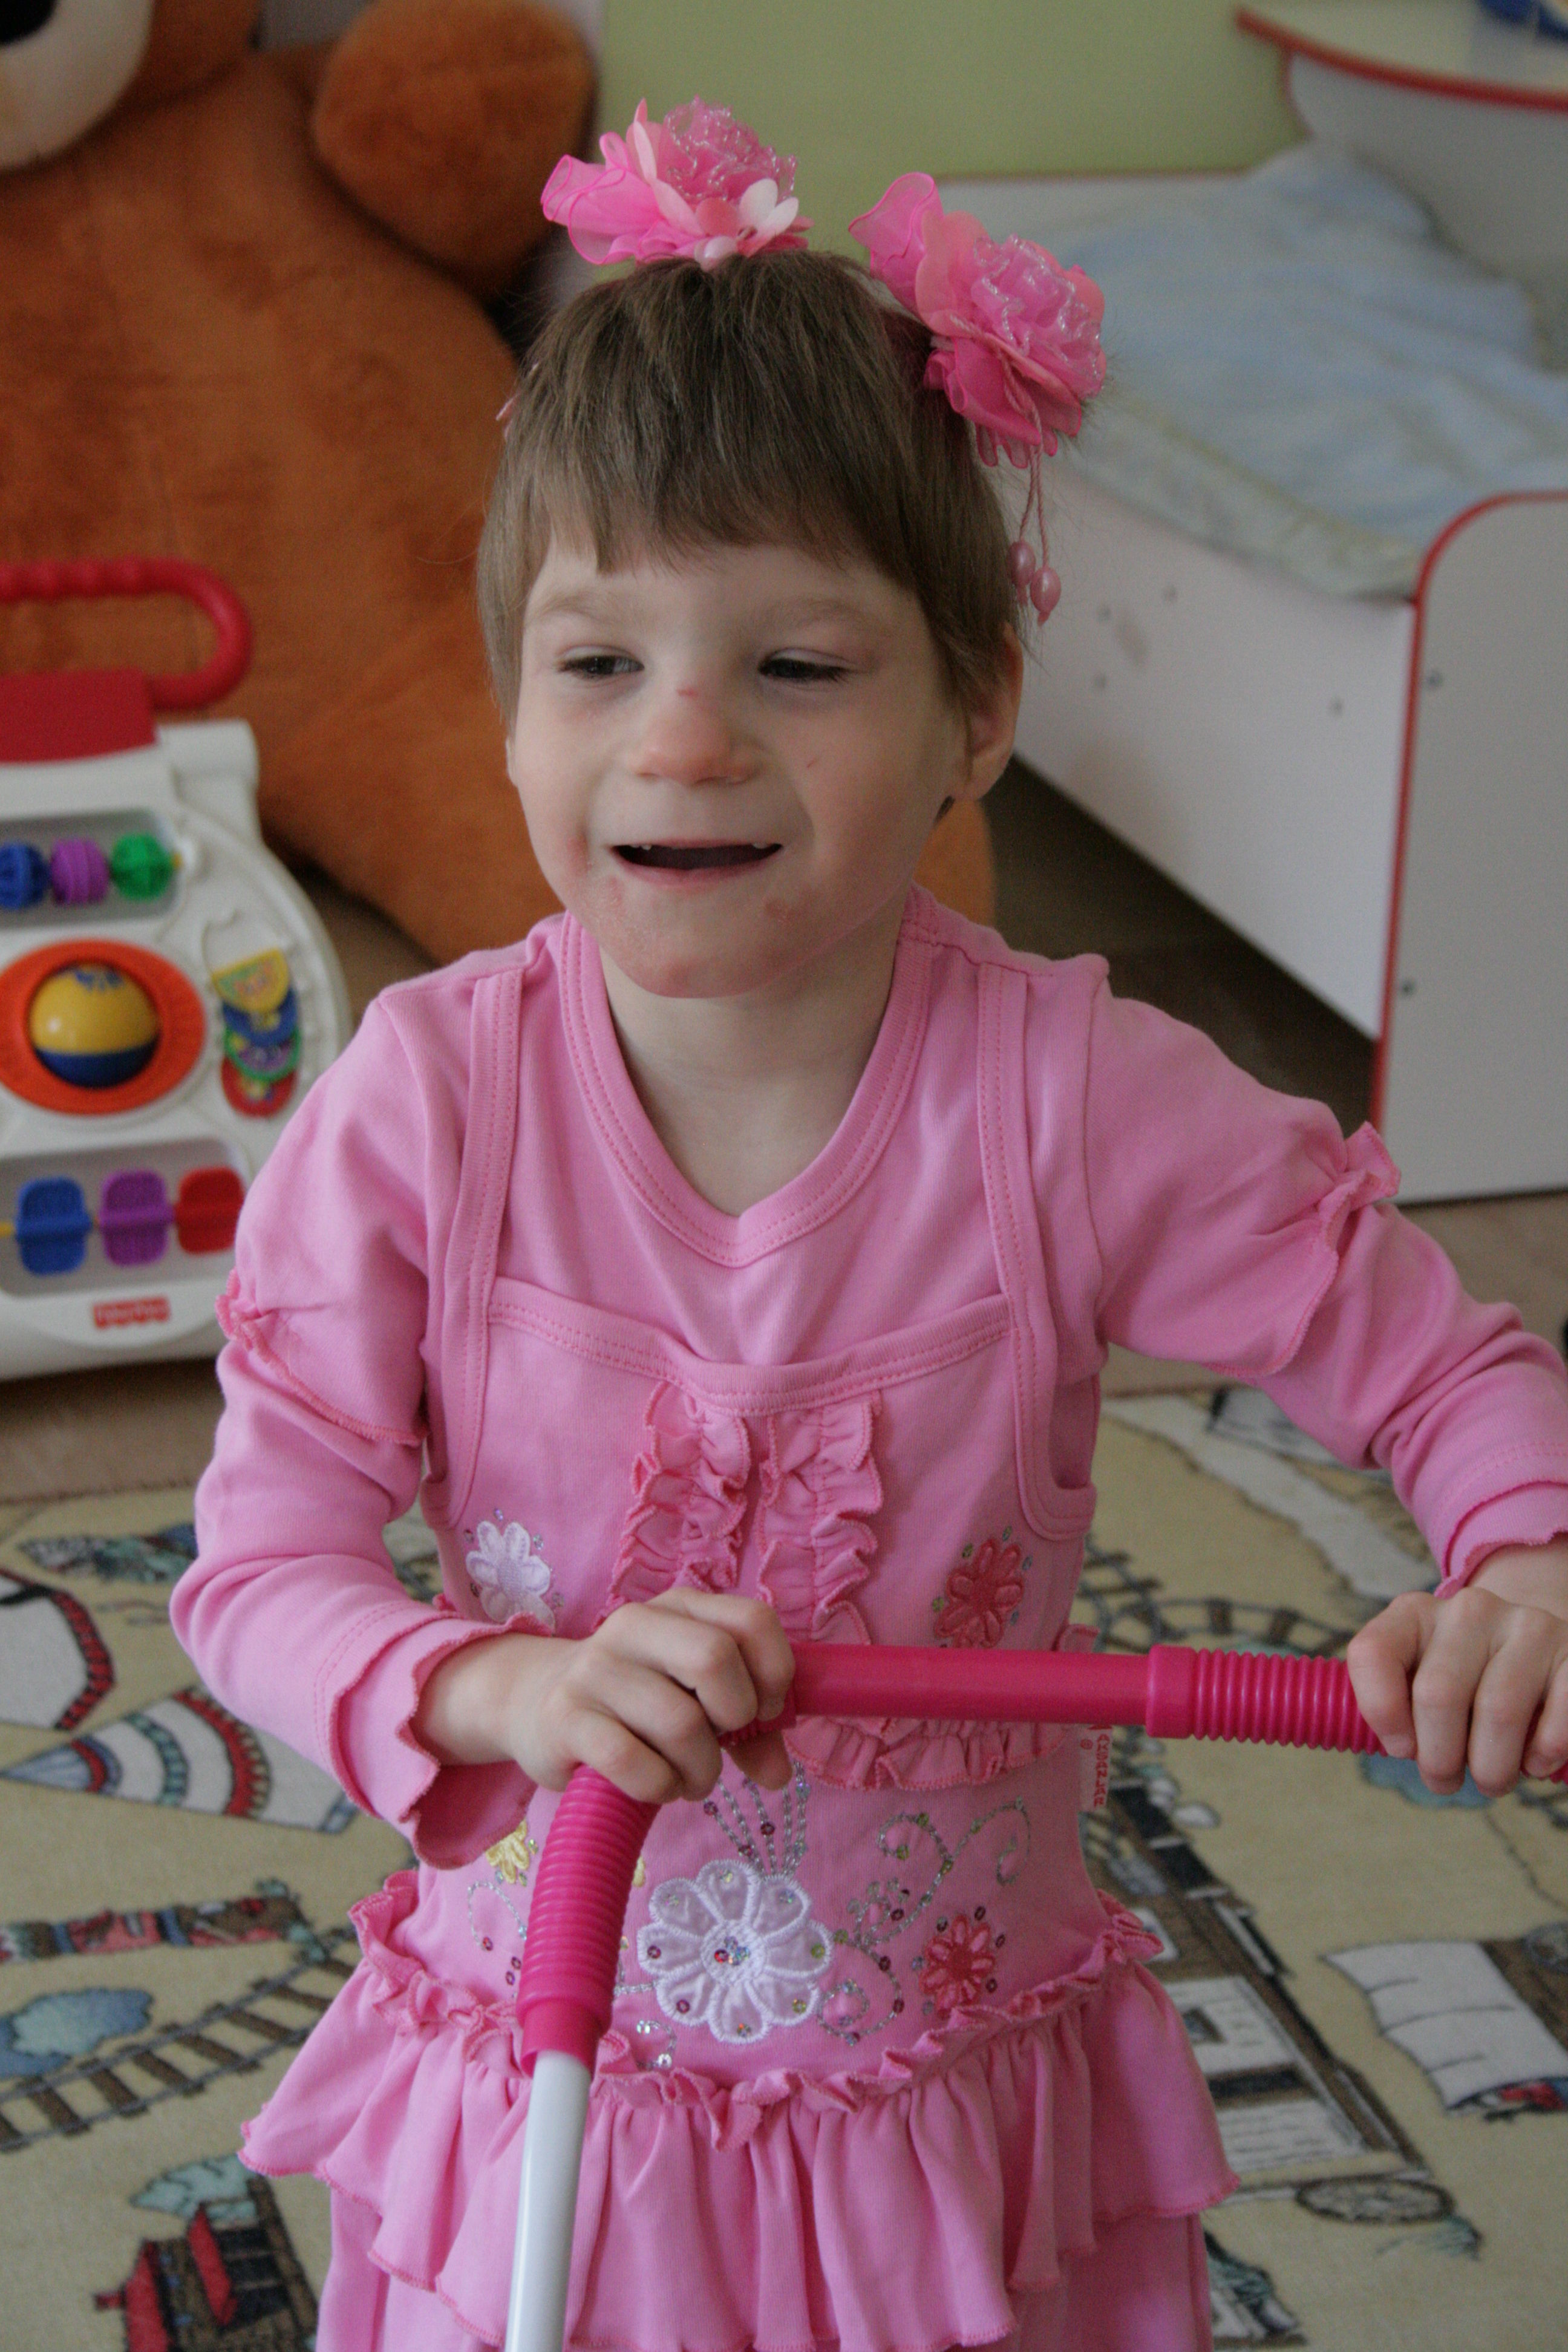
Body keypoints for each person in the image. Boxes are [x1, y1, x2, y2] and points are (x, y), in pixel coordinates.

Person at [173, 100, 1568, 2352]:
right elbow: (258, 1575)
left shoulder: (1077, 1098)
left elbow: (1447, 1366)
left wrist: (1524, 1564)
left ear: (973, 712)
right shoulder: (421, 1107)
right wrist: (509, 1688)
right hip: (552, 2095)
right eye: (598, 663)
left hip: (947, 2116)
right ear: (510, 707)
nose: (683, 743)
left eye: (796, 668)